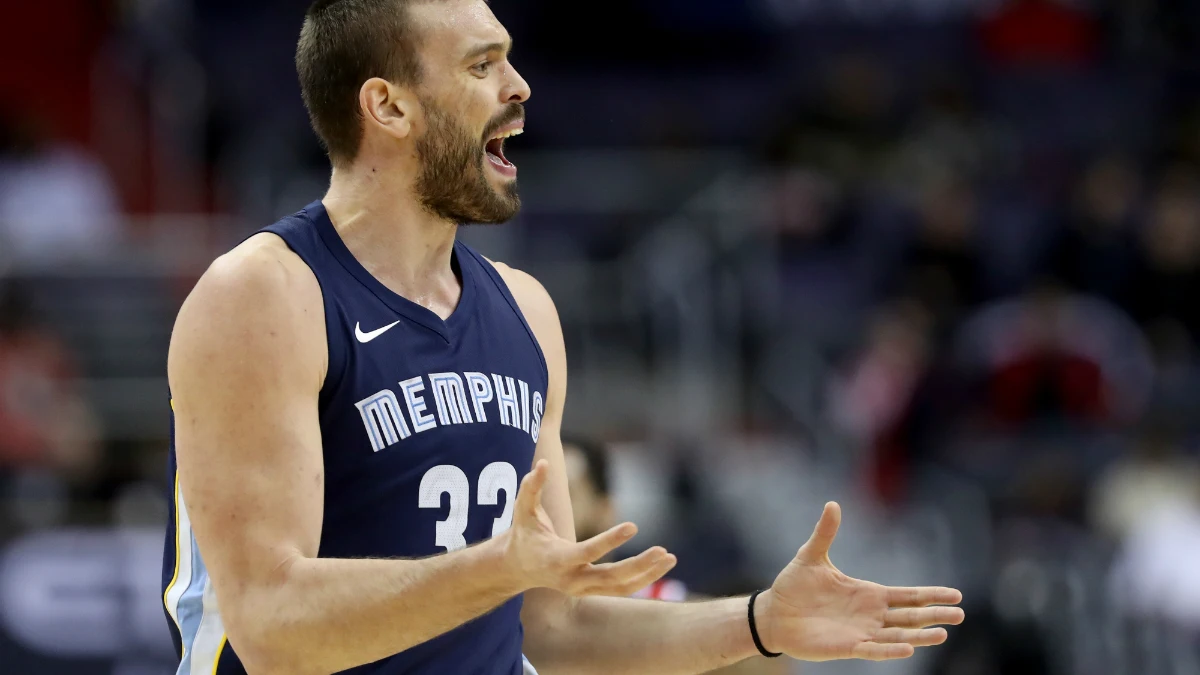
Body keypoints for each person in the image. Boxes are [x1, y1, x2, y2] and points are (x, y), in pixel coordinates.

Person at [161, 1, 965, 674]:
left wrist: (758, 623)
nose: (519, 86)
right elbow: (269, 625)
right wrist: (491, 572)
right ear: (390, 106)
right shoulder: (264, 296)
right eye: (482, 67)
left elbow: (554, 629)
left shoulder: (526, 311)